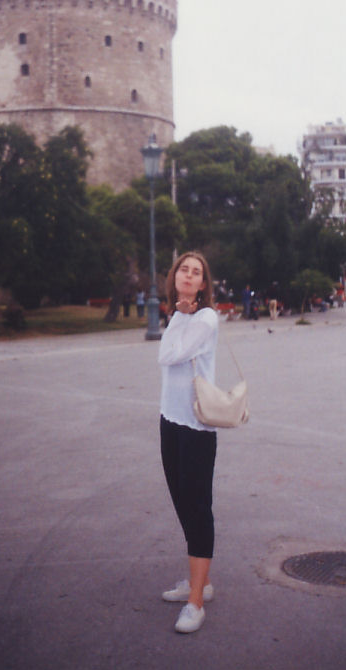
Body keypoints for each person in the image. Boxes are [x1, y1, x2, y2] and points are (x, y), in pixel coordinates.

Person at [158, 251, 218, 634]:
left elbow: (167, 354)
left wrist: (180, 316)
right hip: (170, 420)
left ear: (203, 284)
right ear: (175, 276)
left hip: (196, 427)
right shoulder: (178, 315)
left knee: (197, 508)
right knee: (181, 502)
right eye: (184, 269)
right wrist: (177, 315)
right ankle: (202, 582)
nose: (189, 275)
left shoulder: (205, 319)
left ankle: (196, 602)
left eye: (196, 272)